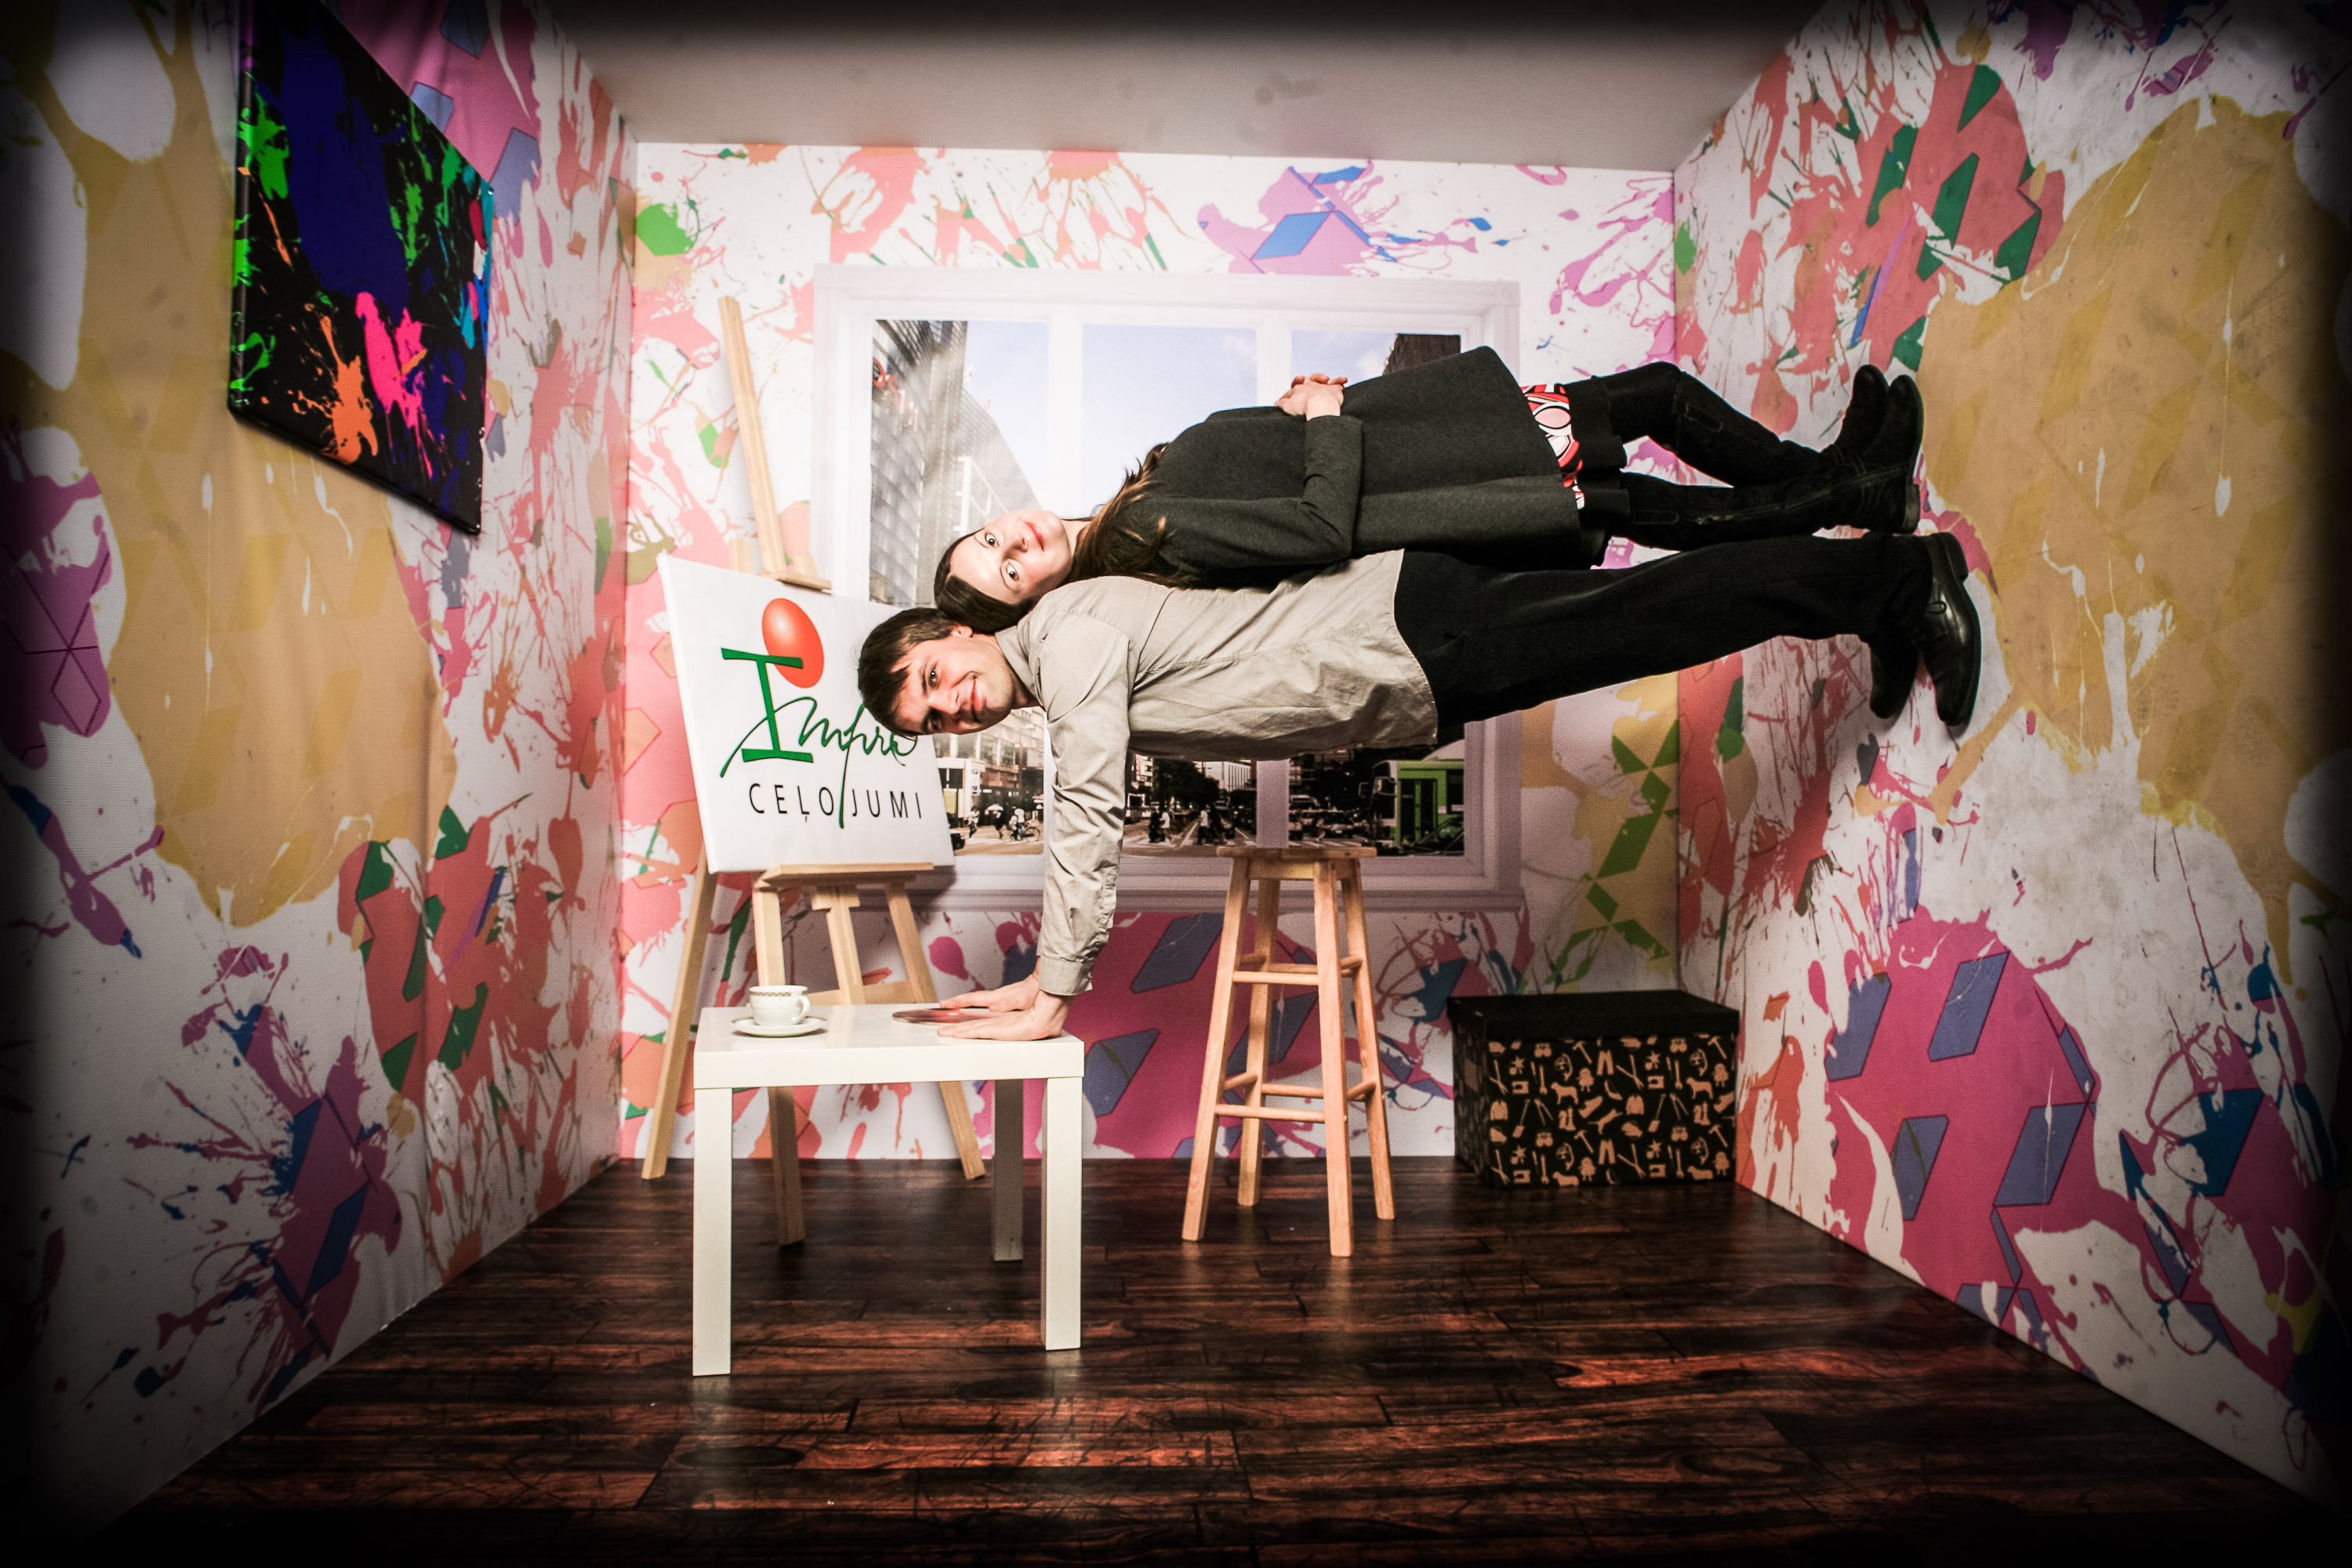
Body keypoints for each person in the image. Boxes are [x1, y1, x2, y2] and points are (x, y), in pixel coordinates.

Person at [857, 529, 1980, 1041]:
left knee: (1659, 615)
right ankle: (1872, 597)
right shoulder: (1058, 656)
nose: (953, 706)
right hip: (1410, 660)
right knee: (1657, 621)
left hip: (1410, 628)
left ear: (956, 630)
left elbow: (1087, 807)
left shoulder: (1065, 633)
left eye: (935, 678)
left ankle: (1897, 575)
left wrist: (1053, 987)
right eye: (933, 719)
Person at [932, 350, 1924, 639]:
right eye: (1008, 571)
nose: (1013, 542)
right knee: (1655, 422)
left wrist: (1292, 411)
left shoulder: (1128, 517)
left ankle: (1845, 480)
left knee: (1646, 503)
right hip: (1450, 474)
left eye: (989, 537)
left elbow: (1266, 483)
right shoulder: (1145, 534)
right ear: (1034, 601)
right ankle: (1849, 484)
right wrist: (1325, 420)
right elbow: (1317, 527)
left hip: (1447, 463)